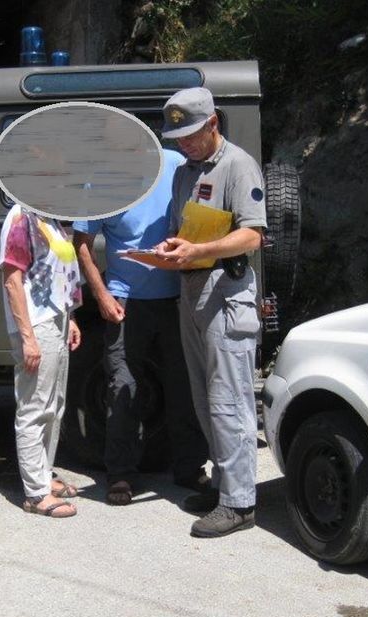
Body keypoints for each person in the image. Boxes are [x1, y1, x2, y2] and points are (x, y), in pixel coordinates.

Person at [154, 87, 267, 538]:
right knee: (204, 397)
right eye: (177, 137)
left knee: (229, 400)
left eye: (190, 135)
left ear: (213, 124)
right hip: (193, 290)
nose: (183, 144)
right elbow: (181, 230)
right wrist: (168, 249)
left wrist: (199, 250)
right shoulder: (185, 173)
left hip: (226, 291)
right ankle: (224, 484)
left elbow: (253, 235)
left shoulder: (238, 165)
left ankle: (240, 503)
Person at [73, 148, 211, 506]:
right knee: (122, 387)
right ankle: (120, 473)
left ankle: (190, 467)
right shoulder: (101, 180)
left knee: (184, 386)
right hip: (125, 300)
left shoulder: (176, 164)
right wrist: (101, 295)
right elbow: (82, 245)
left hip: (177, 297)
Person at [0, 203, 84, 518]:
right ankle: (36, 494)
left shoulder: (48, 218)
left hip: (56, 319)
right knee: (35, 408)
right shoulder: (21, 217)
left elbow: (58, 273)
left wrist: (70, 318)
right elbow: (12, 279)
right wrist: (27, 337)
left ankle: (44, 476)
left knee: (54, 406)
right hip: (36, 324)